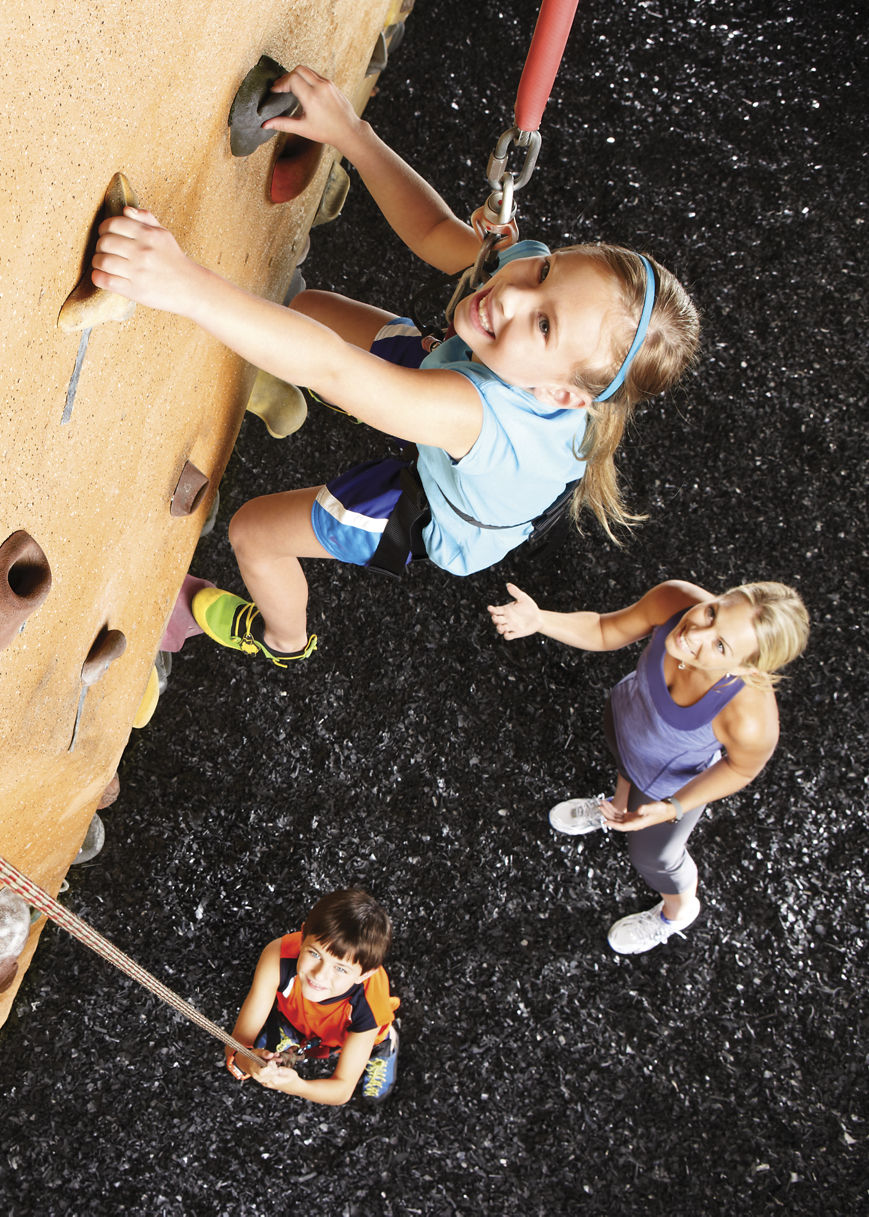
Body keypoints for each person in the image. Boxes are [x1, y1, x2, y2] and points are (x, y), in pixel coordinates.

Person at [91, 65, 700, 666]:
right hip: (475, 373)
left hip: (434, 506)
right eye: (544, 271)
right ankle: (284, 364)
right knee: (311, 308)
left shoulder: (475, 415)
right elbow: (438, 232)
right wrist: (349, 131)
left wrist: (180, 282)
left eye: (544, 324)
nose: (514, 294)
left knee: (252, 531)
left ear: (564, 394)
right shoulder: (534, 293)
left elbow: (335, 368)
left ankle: (282, 639)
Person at [487, 579, 809, 954]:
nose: (695, 632)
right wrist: (539, 620)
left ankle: (678, 912)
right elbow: (606, 628)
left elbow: (740, 769)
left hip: (664, 785)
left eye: (721, 645)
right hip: (626, 722)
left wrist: (674, 807)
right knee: (622, 763)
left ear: (747, 670)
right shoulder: (675, 600)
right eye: (712, 612)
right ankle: (616, 807)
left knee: (654, 858)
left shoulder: (750, 720)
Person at [225, 888, 400, 1104]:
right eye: (315, 954)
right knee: (281, 1027)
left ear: (364, 974)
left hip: (344, 1029)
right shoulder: (277, 957)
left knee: (374, 1037)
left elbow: (342, 1089)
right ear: (303, 937)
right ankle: (293, 1032)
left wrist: (298, 1086)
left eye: (341, 969)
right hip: (299, 1013)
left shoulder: (370, 1006)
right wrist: (249, 1061)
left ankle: (384, 1047)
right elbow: (237, 1041)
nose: (319, 975)